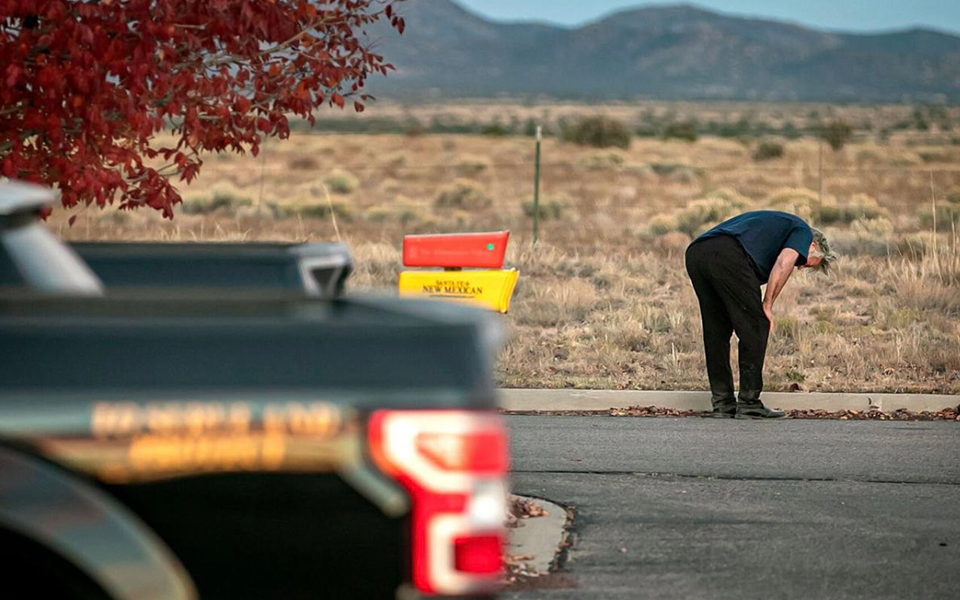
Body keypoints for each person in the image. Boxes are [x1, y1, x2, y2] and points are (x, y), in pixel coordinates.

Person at [684, 210, 836, 419]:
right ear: (812, 246)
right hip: (726, 253)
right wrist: (767, 305)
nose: (799, 267)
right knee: (757, 325)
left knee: (717, 331)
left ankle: (723, 404)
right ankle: (749, 403)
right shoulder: (802, 231)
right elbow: (784, 263)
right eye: (804, 262)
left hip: (697, 252)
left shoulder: (776, 231)